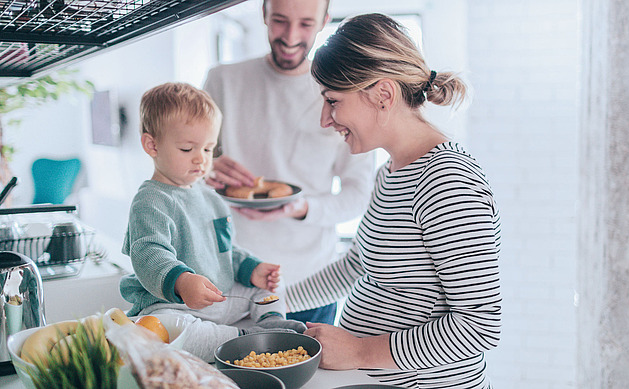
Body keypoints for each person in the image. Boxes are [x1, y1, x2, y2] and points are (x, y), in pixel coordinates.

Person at [285, 13, 503, 389]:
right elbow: (356, 265)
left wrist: (359, 352)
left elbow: (479, 326)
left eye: (332, 101)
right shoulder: (390, 171)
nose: (326, 119)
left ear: (383, 95)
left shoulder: (447, 181)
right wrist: (274, 306)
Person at [203, 0, 375, 325]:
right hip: (231, 281)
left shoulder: (344, 94)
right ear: (263, 14)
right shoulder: (222, 80)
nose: (291, 36)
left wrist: (303, 209)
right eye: (280, 20)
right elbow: (185, 166)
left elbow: (358, 195)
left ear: (325, 21)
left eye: (306, 24)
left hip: (310, 285)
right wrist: (205, 167)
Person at [119, 82, 305, 362]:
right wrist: (181, 282)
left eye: (208, 149)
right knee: (173, 333)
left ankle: (269, 324)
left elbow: (226, 249)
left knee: (268, 287)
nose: (201, 160)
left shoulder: (211, 197)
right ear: (152, 145)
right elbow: (148, 254)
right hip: (173, 304)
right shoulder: (151, 200)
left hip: (220, 297)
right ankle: (246, 341)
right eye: (187, 149)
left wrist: (252, 269)